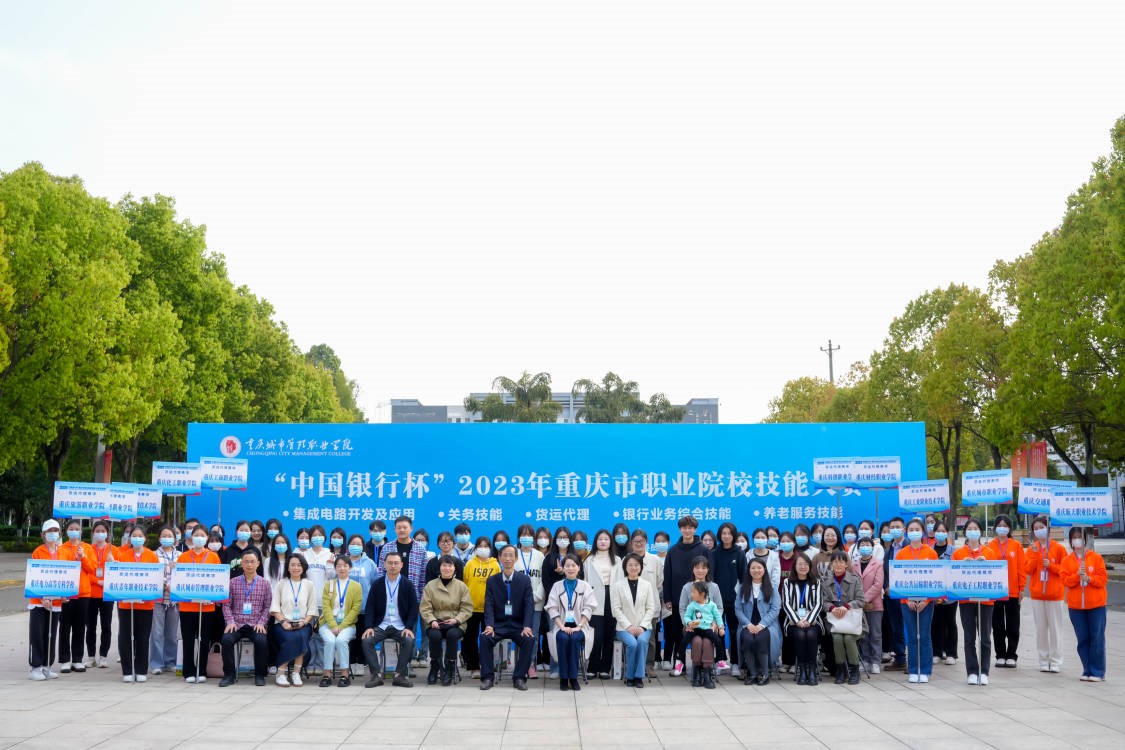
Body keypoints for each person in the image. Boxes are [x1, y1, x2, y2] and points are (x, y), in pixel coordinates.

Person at [479, 544, 536, 690]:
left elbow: (529, 605)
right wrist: (489, 625)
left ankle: (519, 677)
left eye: (511, 555)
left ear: (516, 559)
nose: (508, 558)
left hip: (518, 625)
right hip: (498, 625)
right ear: (499, 558)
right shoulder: (492, 581)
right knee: (485, 638)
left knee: (529, 639)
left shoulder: (524, 580)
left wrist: (527, 626)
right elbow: (489, 605)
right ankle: (487, 677)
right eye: (504, 555)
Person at [361, 551, 418, 688]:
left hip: (400, 626)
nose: (393, 566)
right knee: (367, 640)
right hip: (381, 625)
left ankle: (400, 675)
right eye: (390, 563)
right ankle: (376, 675)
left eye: (396, 563)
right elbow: (370, 607)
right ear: (384, 564)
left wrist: (408, 627)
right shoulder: (377, 584)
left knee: (409, 640)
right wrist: (369, 626)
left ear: (401, 565)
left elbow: (413, 609)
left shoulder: (408, 584)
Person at [952, 518, 998, 685]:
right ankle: (972, 671)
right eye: (969, 529)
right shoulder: (958, 553)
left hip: (986, 601)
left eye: (975, 528)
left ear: (980, 531)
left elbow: (997, 574)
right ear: (965, 532)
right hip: (966, 600)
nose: (973, 531)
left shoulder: (990, 552)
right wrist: (961, 566)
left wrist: (986, 565)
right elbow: (952, 575)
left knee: (985, 637)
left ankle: (984, 671)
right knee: (969, 637)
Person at [219, 547, 272, 687]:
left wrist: (261, 622)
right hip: (237, 623)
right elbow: (226, 605)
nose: (249, 565)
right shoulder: (232, 582)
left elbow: (268, 606)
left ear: (258, 563)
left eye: (252, 562)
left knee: (261, 641)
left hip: (256, 623)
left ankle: (260, 674)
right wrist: (230, 622)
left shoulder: (265, 583)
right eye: (246, 562)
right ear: (241, 563)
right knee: (226, 640)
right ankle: (229, 675)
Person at [1060, 527, 1107, 682]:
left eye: (1080, 537)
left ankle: (1098, 671)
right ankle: (1087, 669)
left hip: (1096, 605)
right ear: (1070, 541)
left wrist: (1089, 578)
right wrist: (1077, 576)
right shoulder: (1067, 560)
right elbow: (1065, 580)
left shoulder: (1095, 557)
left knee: (1097, 638)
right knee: (1083, 639)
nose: (1077, 540)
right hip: (1076, 607)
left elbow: (1103, 579)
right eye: (1074, 537)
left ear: (1085, 539)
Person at [177, 525, 222, 683]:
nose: (199, 538)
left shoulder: (213, 557)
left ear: (207, 537)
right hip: (187, 606)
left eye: (202, 535)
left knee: (204, 639)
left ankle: (201, 670)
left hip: (207, 606)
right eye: (196, 534)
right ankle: (188, 671)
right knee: (188, 640)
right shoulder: (183, 557)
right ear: (191, 536)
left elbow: (219, 580)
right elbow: (178, 579)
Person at [663, 515, 706, 676]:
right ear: (680, 529)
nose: (687, 530)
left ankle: (701, 665)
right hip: (677, 599)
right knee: (677, 634)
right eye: (684, 528)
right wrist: (667, 598)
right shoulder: (673, 550)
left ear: (695, 529)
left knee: (700, 633)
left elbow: (709, 574)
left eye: (690, 528)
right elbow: (667, 575)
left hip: (699, 601)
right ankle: (679, 664)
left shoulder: (703, 549)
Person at [419, 554, 473, 685]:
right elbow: (425, 607)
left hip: (455, 623)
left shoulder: (461, 586)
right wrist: (432, 621)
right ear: (440, 567)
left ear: (455, 568)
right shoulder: (430, 585)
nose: (447, 568)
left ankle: (450, 667)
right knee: (435, 636)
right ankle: (435, 666)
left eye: (450, 565)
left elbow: (467, 608)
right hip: (435, 622)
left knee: (452, 635)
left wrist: (457, 620)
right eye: (444, 565)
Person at [116, 525, 160, 683]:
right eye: (134, 535)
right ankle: (127, 670)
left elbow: (156, 578)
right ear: (130, 538)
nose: (137, 538)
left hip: (145, 604)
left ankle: (141, 670)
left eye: (140, 536)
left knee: (143, 637)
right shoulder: (123, 556)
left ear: (145, 539)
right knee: (125, 637)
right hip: (126, 604)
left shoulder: (152, 556)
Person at [1023, 515, 1067, 672]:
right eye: (1036, 529)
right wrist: (1036, 556)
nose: (1038, 531)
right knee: (1041, 629)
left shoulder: (1058, 548)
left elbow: (1065, 570)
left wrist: (1052, 566)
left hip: (1055, 595)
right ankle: (1043, 659)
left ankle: (1055, 661)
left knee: (1055, 629)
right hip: (1037, 595)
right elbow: (1028, 569)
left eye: (1041, 527)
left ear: (1048, 529)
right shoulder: (1032, 548)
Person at [896, 518, 938, 684]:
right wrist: (907, 599)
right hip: (907, 602)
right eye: (911, 530)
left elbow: (936, 579)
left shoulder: (931, 553)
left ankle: (925, 670)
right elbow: (898, 580)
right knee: (912, 636)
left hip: (926, 602)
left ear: (923, 532)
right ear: (907, 532)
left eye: (917, 529)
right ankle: (913, 669)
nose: (914, 532)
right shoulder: (901, 554)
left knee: (925, 636)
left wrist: (926, 601)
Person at [546, 554, 595, 691]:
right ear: (563, 568)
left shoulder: (585, 586)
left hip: (580, 625)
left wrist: (579, 626)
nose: (571, 568)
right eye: (567, 565)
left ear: (579, 568)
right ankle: (564, 678)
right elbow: (551, 608)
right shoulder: (557, 586)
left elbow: (589, 608)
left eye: (574, 565)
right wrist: (561, 626)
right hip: (561, 625)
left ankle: (573, 678)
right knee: (563, 638)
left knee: (574, 639)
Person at [270, 553, 317, 686]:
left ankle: (296, 673)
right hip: (282, 623)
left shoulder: (309, 584)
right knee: (291, 638)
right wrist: (283, 622)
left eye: (299, 565)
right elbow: (275, 608)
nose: (296, 568)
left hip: (303, 623)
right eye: (293, 565)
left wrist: (304, 622)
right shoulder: (281, 584)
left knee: (300, 636)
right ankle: (281, 673)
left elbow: (312, 609)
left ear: (303, 567)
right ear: (288, 567)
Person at [610, 553, 657, 687]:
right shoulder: (618, 585)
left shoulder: (647, 585)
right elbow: (616, 609)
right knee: (632, 644)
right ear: (625, 567)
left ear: (641, 567)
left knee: (642, 642)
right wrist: (629, 627)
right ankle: (630, 675)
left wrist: (642, 627)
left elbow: (651, 608)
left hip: (644, 627)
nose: (633, 567)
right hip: (624, 628)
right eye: (630, 565)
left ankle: (638, 676)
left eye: (636, 565)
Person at [27, 520, 65, 680]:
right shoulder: (38, 552)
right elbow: (34, 577)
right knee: (37, 633)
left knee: (51, 634)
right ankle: (35, 667)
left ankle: (46, 665)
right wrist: (41, 597)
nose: (53, 533)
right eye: (50, 531)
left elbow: (66, 576)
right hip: (39, 602)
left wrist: (65, 595)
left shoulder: (63, 552)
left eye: (56, 530)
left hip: (55, 602)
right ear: (43, 534)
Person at [56, 519, 94, 673]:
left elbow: (92, 568)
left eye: (77, 528)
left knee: (80, 627)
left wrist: (82, 557)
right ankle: (65, 659)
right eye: (71, 528)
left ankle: (77, 659)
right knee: (65, 627)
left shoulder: (87, 548)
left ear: (81, 531)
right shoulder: (61, 548)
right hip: (66, 593)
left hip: (83, 593)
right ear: (66, 531)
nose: (74, 531)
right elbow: (60, 568)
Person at [987, 514, 1025, 668]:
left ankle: (1012, 655)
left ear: (1009, 528)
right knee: (997, 625)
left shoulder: (1016, 545)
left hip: (1013, 590)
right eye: (999, 525)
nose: (1002, 528)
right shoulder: (989, 545)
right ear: (995, 527)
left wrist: (1022, 588)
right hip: (995, 591)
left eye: (1005, 525)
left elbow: (1021, 568)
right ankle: (1000, 655)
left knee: (1013, 625)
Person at [822, 550, 865, 685]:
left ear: (846, 564)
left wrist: (846, 606)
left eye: (841, 562)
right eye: (835, 562)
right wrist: (832, 608)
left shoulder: (855, 580)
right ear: (831, 564)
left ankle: (854, 670)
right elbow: (823, 601)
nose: (838, 565)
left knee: (848, 638)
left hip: (854, 621)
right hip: (835, 621)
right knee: (837, 638)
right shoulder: (826, 582)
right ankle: (841, 670)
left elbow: (861, 600)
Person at [582, 529, 620, 679]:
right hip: (594, 598)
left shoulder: (617, 560)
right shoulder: (589, 560)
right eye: (600, 539)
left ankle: (605, 668)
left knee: (609, 636)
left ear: (610, 542)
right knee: (596, 636)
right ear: (595, 542)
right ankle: (592, 667)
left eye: (606, 539)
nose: (603, 542)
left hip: (612, 597)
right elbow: (585, 582)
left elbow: (621, 582)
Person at [736, 557, 780, 686]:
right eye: (753, 568)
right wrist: (748, 624)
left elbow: (775, 609)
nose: (756, 570)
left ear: (764, 569)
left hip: (767, 625)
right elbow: (738, 609)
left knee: (761, 639)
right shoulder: (742, 588)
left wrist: (761, 625)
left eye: (759, 567)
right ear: (749, 570)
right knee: (747, 639)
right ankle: (752, 672)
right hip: (747, 624)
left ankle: (765, 673)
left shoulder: (772, 588)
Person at [319, 555, 361, 687]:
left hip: (348, 625)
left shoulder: (356, 586)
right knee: (330, 641)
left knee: (341, 640)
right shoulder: (329, 585)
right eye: (338, 566)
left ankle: (344, 675)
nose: (342, 568)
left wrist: (341, 626)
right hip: (328, 623)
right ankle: (327, 675)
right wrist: (333, 625)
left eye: (345, 566)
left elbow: (355, 609)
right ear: (335, 568)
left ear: (350, 568)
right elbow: (326, 607)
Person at [782, 552, 823, 686]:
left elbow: (819, 604)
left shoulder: (816, 582)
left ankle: (812, 669)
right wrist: (798, 621)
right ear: (795, 566)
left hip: (813, 620)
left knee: (811, 634)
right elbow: (786, 604)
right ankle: (802, 669)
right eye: (800, 564)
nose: (803, 567)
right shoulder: (787, 582)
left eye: (806, 564)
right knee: (800, 635)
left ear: (810, 566)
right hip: (793, 621)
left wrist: (808, 620)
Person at [462, 536, 499, 678]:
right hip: (471, 608)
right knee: (470, 638)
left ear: (490, 548)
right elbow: (465, 583)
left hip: (489, 609)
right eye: (480, 546)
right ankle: (474, 667)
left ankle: (487, 665)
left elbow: (498, 586)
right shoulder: (470, 564)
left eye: (486, 546)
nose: (483, 549)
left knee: (488, 638)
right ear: (475, 548)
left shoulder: (495, 565)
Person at [628, 530, 665, 674]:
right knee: (631, 636)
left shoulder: (655, 560)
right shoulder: (627, 559)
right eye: (636, 541)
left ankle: (648, 666)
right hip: (631, 607)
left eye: (641, 541)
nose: (639, 544)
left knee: (650, 637)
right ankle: (632, 664)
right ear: (631, 543)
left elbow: (659, 583)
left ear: (646, 542)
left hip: (650, 606)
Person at [298, 524, 333, 676]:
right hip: (307, 602)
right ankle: (309, 663)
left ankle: (320, 664)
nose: (317, 538)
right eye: (314, 535)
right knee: (309, 635)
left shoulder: (329, 554)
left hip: (324, 601)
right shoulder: (305, 554)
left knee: (322, 635)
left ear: (324, 538)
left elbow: (332, 577)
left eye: (320, 535)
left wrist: (330, 566)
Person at [709, 521, 742, 675]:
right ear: (720, 535)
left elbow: (743, 578)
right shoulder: (714, 553)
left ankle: (735, 662)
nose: (726, 536)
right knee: (718, 632)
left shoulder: (739, 553)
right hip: (717, 602)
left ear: (733, 535)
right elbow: (711, 577)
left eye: (729, 533)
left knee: (734, 632)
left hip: (735, 601)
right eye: (724, 533)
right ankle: (720, 660)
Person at [513, 524, 546, 678]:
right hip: (517, 603)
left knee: (533, 635)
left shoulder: (539, 555)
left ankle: (530, 664)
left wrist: (534, 597)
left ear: (533, 538)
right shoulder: (513, 553)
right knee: (519, 634)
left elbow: (543, 579)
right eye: (523, 535)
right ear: (519, 537)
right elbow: (510, 578)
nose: (526, 538)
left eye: (529, 535)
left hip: (536, 603)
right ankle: (520, 664)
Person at [345, 534, 378, 676]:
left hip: (364, 607)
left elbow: (375, 583)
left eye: (358, 544)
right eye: (353, 543)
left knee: (362, 636)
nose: (355, 546)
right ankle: (351, 661)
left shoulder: (369, 563)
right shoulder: (344, 562)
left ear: (363, 546)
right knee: (350, 637)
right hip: (346, 608)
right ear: (348, 546)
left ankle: (362, 662)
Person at [85, 519, 115, 669]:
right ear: (93, 533)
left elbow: (119, 572)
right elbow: (85, 570)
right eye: (97, 531)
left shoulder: (113, 550)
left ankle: (103, 657)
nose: (100, 534)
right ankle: (91, 657)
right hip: (91, 594)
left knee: (106, 626)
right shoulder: (87, 549)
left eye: (103, 531)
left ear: (107, 533)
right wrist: (97, 581)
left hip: (107, 595)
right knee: (90, 627)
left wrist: (113, 562)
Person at [150, 525, 180, 676]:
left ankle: (170, 662)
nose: (167, 538)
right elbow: (153, 573)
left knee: (172, 633)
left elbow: (185, 574)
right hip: (158, 598)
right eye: (164, 535)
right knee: (156, 632)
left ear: (175, 539)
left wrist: (174, 584)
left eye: (170, 536)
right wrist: (165, 585)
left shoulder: (181, 555)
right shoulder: (153, 555)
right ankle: (156, 663)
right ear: (159, 538)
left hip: (174, 600)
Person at [853, 533, 884, 675]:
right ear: (858, 548)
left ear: (872, 547)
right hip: (859, 605)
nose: (865, 547)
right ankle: (865, 659)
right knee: (863, 634)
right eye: (862, 545)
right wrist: (860, 601)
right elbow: (853, 584)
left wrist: (865, 599)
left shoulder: (878, 564)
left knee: (875, 634)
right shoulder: (854, 564)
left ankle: (876, 661)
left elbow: (878, 585)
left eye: (867, 545)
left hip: (874, 605)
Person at [684, 582, 722, 688]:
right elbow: (684, 612)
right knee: (697, 642)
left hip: (709, 628)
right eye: (692, 592)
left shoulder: (714, 589)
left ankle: (707, 673)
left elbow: (718, 612)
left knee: (707, 642)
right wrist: (688, 624)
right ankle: (696, 672)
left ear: (702, 593)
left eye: (694, 592)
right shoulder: (689, 594)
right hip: (694, 629)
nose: (691, 594)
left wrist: (718, 625)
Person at [930, 521, 958, 665]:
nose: (940, 534)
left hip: (950, 594)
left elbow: (956, 572)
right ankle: (936, 652)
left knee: (950, 622)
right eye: (938, 531)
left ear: (947, 533)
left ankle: (951, 653)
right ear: (934, 533)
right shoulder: (929, 550)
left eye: (943, 531)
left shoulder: (954, 551)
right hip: (934, 593)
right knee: (935, 623)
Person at [882, 517, 908, 671]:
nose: (894, 530)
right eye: (892, 527)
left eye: (897, 527)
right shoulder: (889, 550)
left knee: (910, 627)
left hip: (907, 594)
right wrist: (886, 586)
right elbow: (885, 571)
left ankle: (914, 661)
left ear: (903, 529)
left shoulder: (910, 546)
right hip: (891, 595)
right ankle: (900, 658)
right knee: (896, 627)